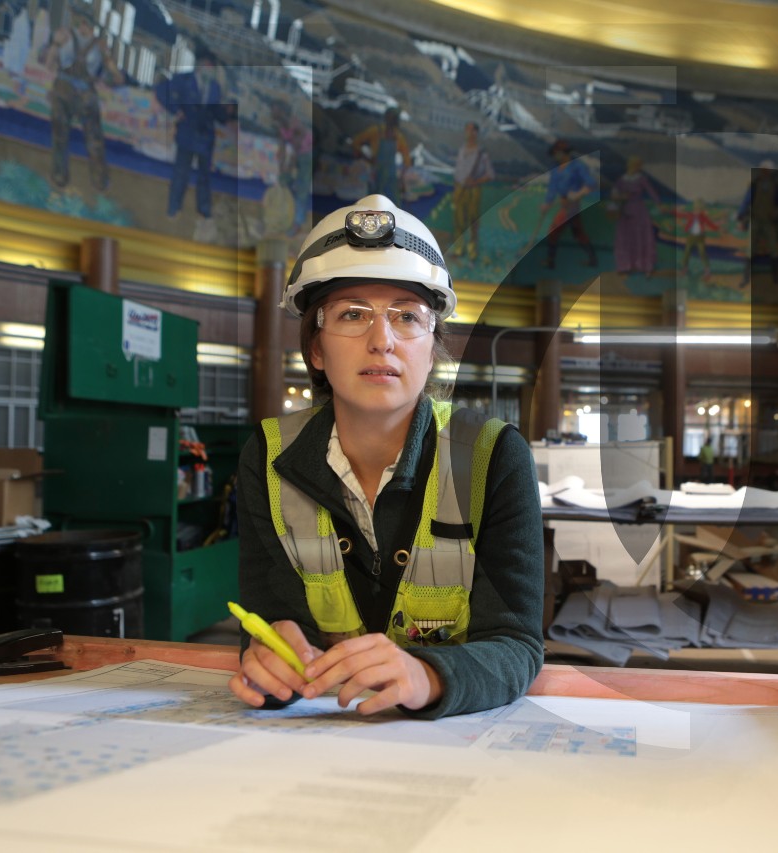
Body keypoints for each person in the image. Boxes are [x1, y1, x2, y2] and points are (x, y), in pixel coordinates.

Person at [228, 194, 545, 719]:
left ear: (431, 345)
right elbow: (274, 619)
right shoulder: (267, 455)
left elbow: (516, 644)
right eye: (353, 315)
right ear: (316, 349)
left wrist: (427, 675)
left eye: (407, 318)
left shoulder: (494, 456)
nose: (383, 341)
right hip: (317, 742)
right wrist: (270, 659)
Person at [39, 5, 124, 190]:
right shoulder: (66, 36)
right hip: (70, 92)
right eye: (81, 21)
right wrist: (55, 45)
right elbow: (48, 64)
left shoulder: (96, 44)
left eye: (86, 22)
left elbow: (113, 72)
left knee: (88, 139)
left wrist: (114, 74)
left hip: (76, 93)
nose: (83, 25)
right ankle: (66, 177)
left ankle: (95, 181)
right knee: (65, 137)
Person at [155, 47, 235, 220]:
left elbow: (215, 112)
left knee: (204, 177)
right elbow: (161, 90)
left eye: (213, 68)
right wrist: (176, 110)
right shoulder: (184, 80)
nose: (210, 70)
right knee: (181, 173)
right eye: (208, 66)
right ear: (200, 66)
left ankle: (204, 211)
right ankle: (174, 208)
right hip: (187, 135)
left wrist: (227, 114)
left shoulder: (215, 87)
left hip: (206, 138)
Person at [539, 139, 598, 269]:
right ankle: (593, 259)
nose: (555, 155)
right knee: (578, 233)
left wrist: (577, 194)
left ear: (563, 152)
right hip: (563, 203)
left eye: (556, 152)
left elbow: (591, 184)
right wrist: (547, 203)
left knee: (553, 231)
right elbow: (552, 189)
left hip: (572, 205)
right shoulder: (556, 170)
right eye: (554, 153)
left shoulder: (577, 166)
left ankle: (550, 261)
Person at [736, 160, 778, 287]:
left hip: (769, 222)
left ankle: (776, 279)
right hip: (755, 220)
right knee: (750, 250)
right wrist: (741, 217)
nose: (765, 172)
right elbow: (746, 201)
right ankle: (746, 279)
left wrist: (777, 211)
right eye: (763, 170)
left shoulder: (776, 186)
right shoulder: (754, 185)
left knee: (774, 249)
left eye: (767, 170)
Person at [450, 121, 495, 261]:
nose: (469, 133)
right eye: (467, 130)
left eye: (471, 130)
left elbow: (490, 175)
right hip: (459, 189)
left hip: (473, 190)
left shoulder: (481, 153)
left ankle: (472, 251)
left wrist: (475, 182)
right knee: (458, 220)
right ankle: (458, 249)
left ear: (476, 133)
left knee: (473, 220)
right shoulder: (462, 149)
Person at [611, 155, 660, 275]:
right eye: (636, 165)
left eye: (639, 165)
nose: (638, 167)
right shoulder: (622, 179)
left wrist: (659, 204)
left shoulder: (641, 178)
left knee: (641, 236)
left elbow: (651, 192)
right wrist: (621, 196)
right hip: (625, 211)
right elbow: (614, 193)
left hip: (639, 211)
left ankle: (644, 265)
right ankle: (625, 265)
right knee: (625, 238)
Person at [270, 99, 315, 229]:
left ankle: (298, 222)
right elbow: (282, 149)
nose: (274, 114)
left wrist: (289, 166)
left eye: (276, 111)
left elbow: (297, 147)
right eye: (273, 112)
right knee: (285, 182)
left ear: (283, 112)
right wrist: (282, 169)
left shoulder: (294, 124)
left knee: (301, 188)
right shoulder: (281, 126)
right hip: (298, 155)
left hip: (307, 156)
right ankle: (287, 214)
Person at [353, 106, 411, 201]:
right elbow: (356, 142)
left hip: (391, 177)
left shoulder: (398, 137)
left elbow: (407, 160)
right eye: (393, 118)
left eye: (396, 118)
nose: (394, 121)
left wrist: (401, 178)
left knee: (393, 203)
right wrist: (366, 158)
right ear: (387, 118)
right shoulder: (376, 131)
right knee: (372, 202)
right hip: (376, 174)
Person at [677, 198, 719, 278]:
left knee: (702, 253)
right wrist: (670, 211)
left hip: (700, 237)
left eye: (700, 209)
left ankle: (707, 271)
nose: (698, 211)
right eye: (697, 209)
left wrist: (718, 228)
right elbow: (680, 215)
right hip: (691, 237)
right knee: (687, 252)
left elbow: (710, 224)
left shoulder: (703, 217)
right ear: (694, 208)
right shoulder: (690, 215)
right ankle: (684, 269)